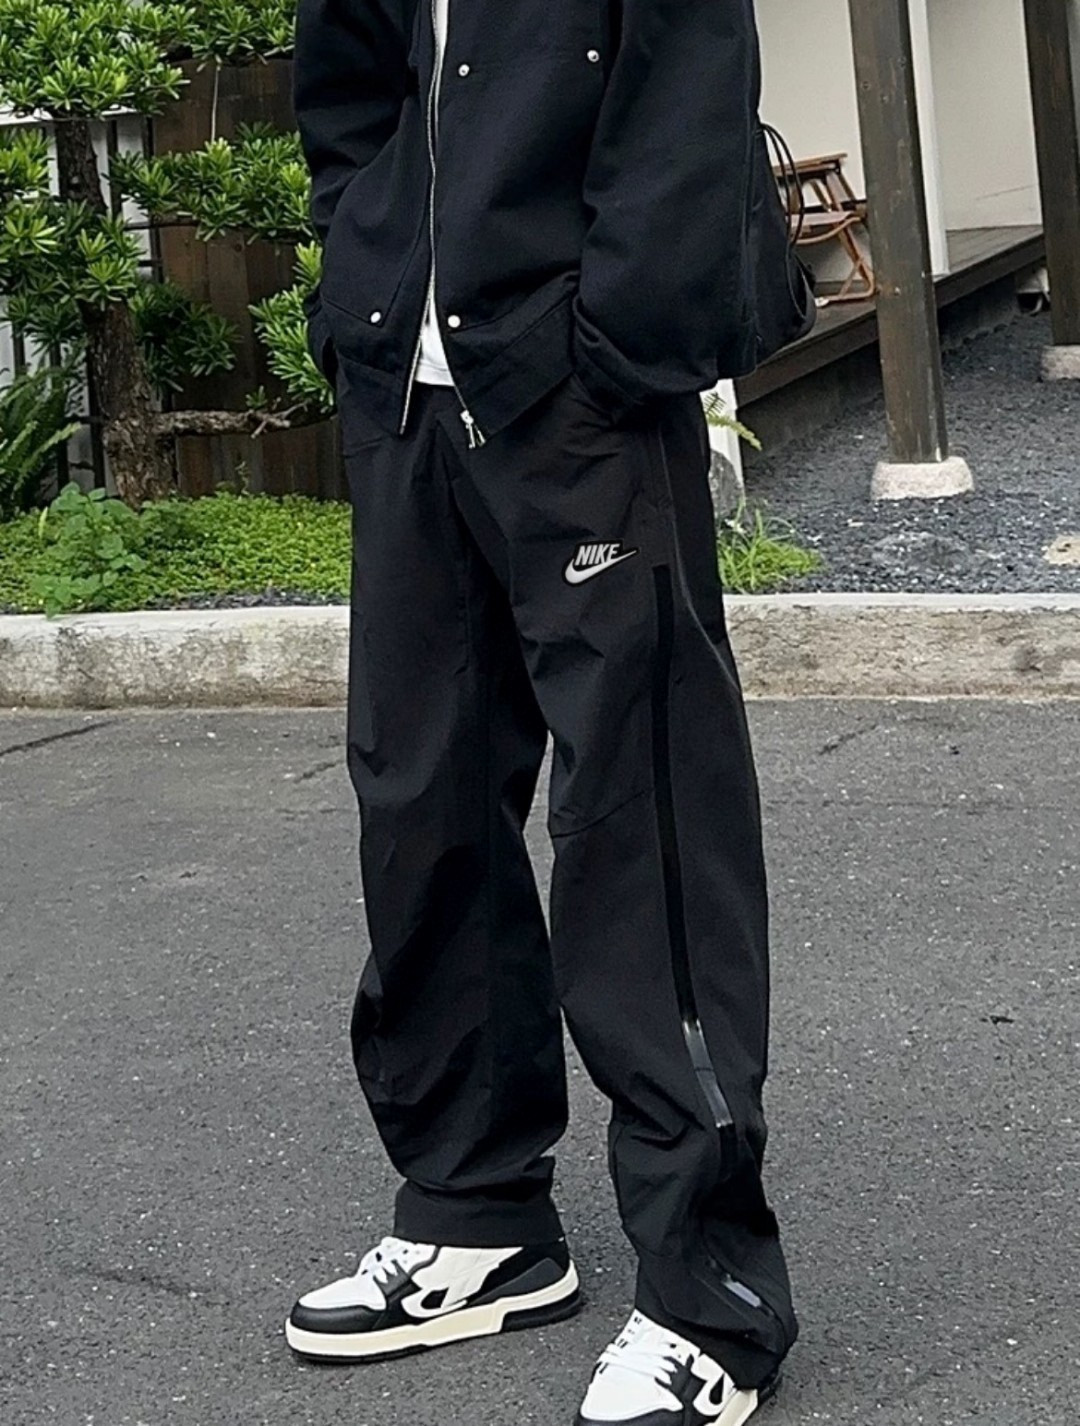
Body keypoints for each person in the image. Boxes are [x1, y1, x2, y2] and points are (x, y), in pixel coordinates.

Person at [288, 1, 813, 1421]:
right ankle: (476, 1213)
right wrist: (363, 270)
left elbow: (689, 95)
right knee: (422, 797)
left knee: (642, 818)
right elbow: (345, 83)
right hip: (405, 386)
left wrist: (613, 344)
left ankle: (709, 1291)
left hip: (582, 392)